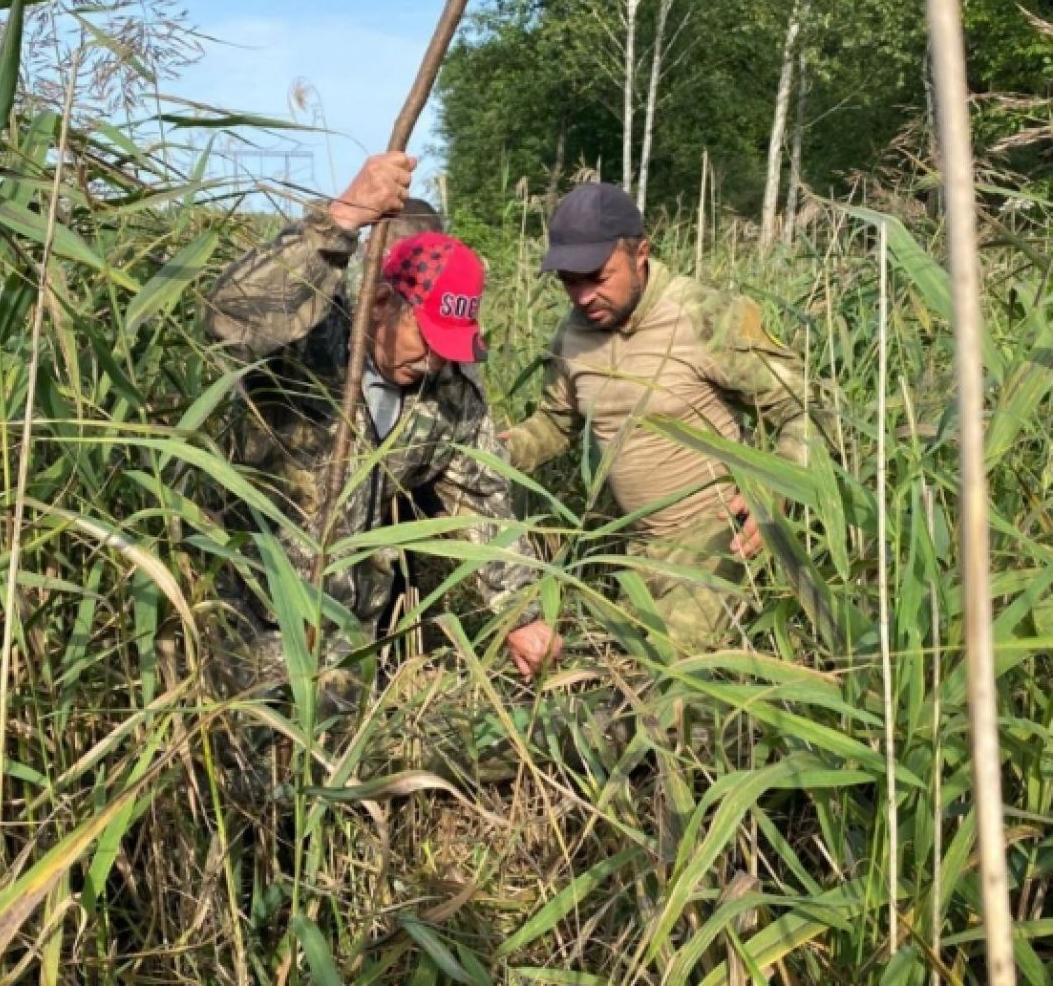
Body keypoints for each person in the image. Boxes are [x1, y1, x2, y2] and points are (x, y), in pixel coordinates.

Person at [205, 152, 561, 726]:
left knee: (330, 783)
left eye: (451, 344)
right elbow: (227, 315)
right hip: (248, 623)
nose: (433, 360)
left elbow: (485, 500)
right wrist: (340, 218)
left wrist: (522, 616)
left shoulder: (448, 392)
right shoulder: (310, 339)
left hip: (349, 637)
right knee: (245, 791)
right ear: (379, 301)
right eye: (427, 337)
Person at [502, 180, 816, 654]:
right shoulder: (571, 336)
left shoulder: (702, 315)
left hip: (715, 540)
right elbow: (554, 423)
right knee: (611, 681)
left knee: (671, 685)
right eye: (570, 281)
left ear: (640, 252)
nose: (584, 296)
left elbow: (807, 404)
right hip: (636, 550)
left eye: (597, 276)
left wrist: (777, 486)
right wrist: (494, 453)